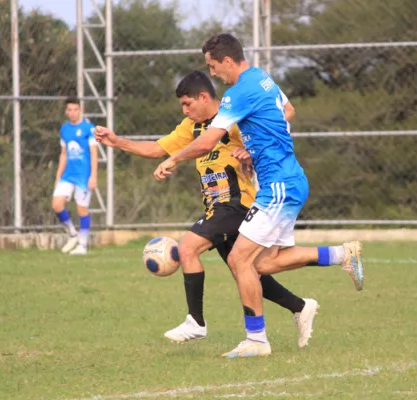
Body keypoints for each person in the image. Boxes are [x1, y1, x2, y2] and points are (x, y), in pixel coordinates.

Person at [153, 34, 365, 358]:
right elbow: (288, 110)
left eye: (213, 67)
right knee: (264, 263)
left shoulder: (236, 94)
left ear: (227, 60)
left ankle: (256, 339)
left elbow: (208, 142)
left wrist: (173, 158)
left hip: (280, 184)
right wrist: (254, 148)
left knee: (240, 259)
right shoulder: (263, 78)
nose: (213, 74)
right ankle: (342, 255)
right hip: (285, 181)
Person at [95, 70, 320, 348]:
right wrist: (117, 142)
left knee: (188, 247)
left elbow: (278, 119)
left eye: (187, 104)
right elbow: (156, 148)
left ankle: (196, 322)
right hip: (218, 206)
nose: (185, 110)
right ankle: (299, 306)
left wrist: (250, 152)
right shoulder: (191, 128)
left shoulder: (233, 119)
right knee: (247, 271)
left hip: (238, 204)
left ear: (204, 97)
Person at [52, 97, 98, 255]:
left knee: (81, 209)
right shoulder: (64, 129)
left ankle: (82, 245)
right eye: (69, 110)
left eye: (75, 109)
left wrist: (93, 176)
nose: (72, 112)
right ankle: (72, 233)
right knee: (57, 204)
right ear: (66, 111)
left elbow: (94, 153)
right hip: (68, 174)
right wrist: (58, 176)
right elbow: (63, 154)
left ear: (80, 110)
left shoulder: (88, 128)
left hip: (84, 175)